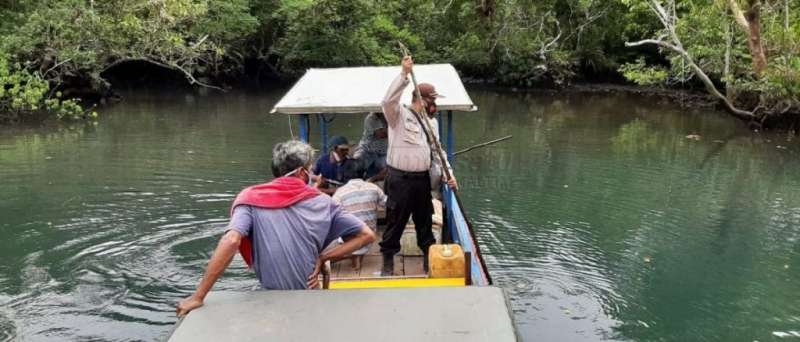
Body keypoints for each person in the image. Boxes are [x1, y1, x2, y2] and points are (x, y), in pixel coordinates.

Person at [176, 140, 376, 317]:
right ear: (301, 172)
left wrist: (199, 296)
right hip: (310, 297)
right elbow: (366, 235)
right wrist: (324, 258)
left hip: (269, 300)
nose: (312, 174)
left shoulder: (249, 198)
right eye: (310, 169)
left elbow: (231, 240)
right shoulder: (325, 202)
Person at [379, 55, 457, 276]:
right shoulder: (399, 116)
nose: (436, 106)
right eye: (433, 101)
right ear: (422, 100)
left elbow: (438, 151)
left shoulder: (432, 123)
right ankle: (387, 264)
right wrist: (404, 74)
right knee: (395, 222)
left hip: (422, 180)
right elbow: (387, 102)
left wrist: (449, 175)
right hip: (399, 180)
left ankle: (428, 263)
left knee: (425, 222)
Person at [331, 159, 387, 269]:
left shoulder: (340, 193)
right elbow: (388, 204)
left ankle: (351, 255)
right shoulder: (374, 188)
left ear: (344, 174)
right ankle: (356, 255)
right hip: (370, 237)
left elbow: (331, 216)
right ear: (364, 173)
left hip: (349, 240)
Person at [354, 112, 388, 181]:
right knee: (357, 161)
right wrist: (395, 129)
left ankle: (372, 180)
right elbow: (381, 134)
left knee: (389, 168)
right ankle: (357, 182)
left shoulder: (389, 116)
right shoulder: (370, 118)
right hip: (367, 150)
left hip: (383, 153)